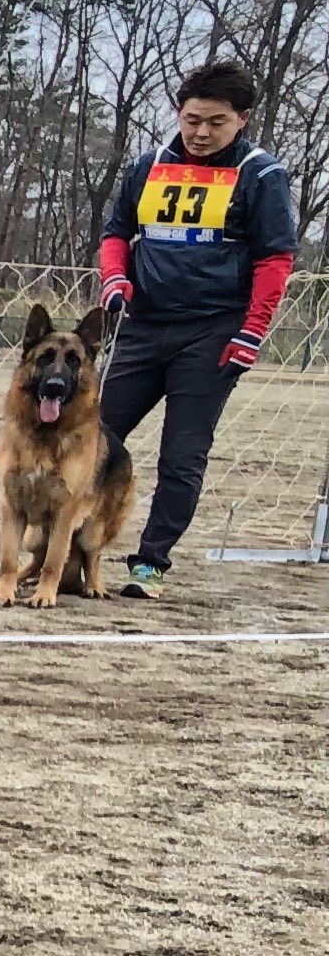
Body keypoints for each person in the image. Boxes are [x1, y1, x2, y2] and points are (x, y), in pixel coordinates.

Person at [96, 58, 298, 597]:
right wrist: (114, 280)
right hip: (142, 327)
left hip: (213, 334)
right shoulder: (148, 165)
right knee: (88, 437)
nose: (201, 133)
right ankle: (57, 550)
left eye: (216, 122)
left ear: (243, 119)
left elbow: (275, 260)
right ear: (178, 115)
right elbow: (117, 234)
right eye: (192, 120)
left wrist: (251, 331)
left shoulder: (261, 174)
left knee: (182, 453)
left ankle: (151, 563)